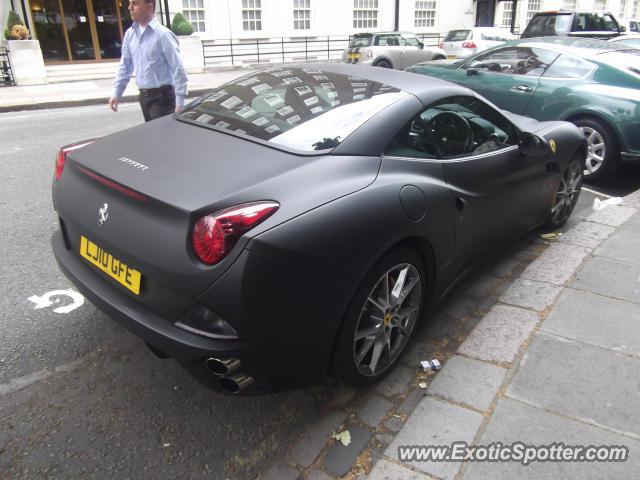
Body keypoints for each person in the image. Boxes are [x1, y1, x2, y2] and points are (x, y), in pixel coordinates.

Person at [109, 0, 188, 122]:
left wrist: (180, 103)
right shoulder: (130, 35)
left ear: (149, 7)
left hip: (163, 98)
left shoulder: (163, 35)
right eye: (130, 3)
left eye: (134, 3)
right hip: (144, 97)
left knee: (163, 138)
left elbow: (178, 68)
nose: (130, 7)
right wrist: (117, 92)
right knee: (152, 137)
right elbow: (125, 66)